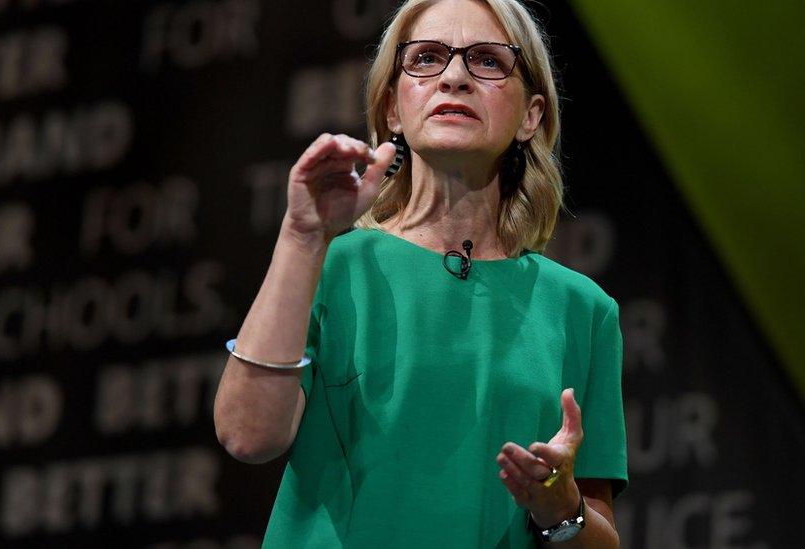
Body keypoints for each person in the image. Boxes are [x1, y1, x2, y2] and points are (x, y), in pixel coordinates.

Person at [213, 0, 627, 546]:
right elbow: (248, 436)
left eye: (486, 60)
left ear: (531, 115)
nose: (453, 77)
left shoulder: (584, 310)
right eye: (427, 58)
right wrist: (301, 237)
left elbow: (598, 537)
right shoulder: (332, 264)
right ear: (392, 108)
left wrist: (560, 507)